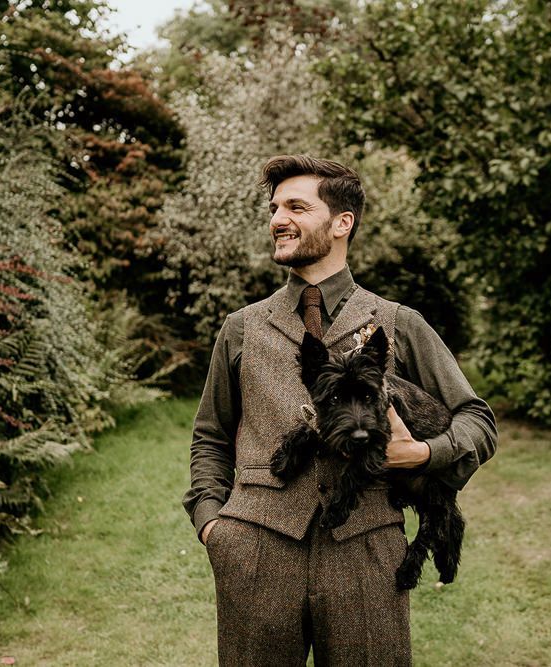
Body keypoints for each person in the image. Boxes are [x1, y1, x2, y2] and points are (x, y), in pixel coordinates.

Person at [183, 155, 497, 666]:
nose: (277, 219)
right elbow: (210, 436)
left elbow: (477, 420)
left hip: (368, 556)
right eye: (274, 207)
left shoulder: (399, 323)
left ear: (341, 223)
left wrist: (420, 453)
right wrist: (212, 526)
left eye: (296, 207)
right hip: (255, 553)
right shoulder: (241, 328)